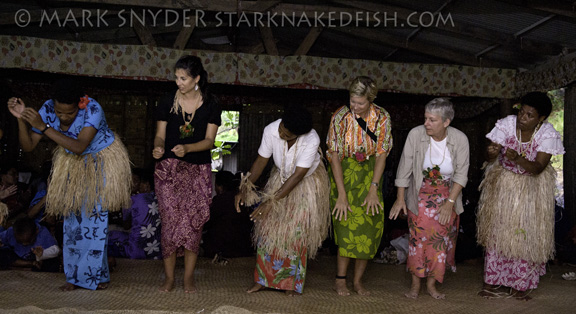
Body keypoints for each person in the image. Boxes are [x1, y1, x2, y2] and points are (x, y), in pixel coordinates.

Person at [7, 79, 132, 290]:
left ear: (79, 104)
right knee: (72, 223)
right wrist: (21, 119)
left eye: (70, 113)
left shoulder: (93, 108)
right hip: (72, 165)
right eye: (59, 112)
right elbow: (28, 146)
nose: (63, 117)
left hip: (99, 161)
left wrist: (44, 127)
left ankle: (90, 277)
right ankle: (80, 277)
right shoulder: (47, 109)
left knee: (94, 222)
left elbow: (80, 147)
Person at [476, 92, 565, 301]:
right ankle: (492, 281)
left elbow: (538, 167)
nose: (522, 118)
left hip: (529, 191)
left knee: (523, 235)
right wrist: (491, 152)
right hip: (504, 187)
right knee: (497, 233)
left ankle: (520, 284)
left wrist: (518, 159)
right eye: (522, 112)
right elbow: (489, 156)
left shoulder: (547, 134)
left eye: (530, 115)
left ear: (540, 118)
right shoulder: (507, 125)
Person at [235, 105, 330, 296]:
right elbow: (261, 161)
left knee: (295, 234)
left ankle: (290, 283)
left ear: (299, 135)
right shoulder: (271, 130)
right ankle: (262, 279)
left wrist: (270, 201)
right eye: (282, 128)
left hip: (304, 183)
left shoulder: (311, 139)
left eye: (286, 134)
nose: (281, 133)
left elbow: (297, 176)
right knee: (268, 230)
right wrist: (244, 188)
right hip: (281, 177)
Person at [152, 55, 221, 293]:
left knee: (194, 224)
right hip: (168, 170)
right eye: (176, 77)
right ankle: (170, 278)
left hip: (197, 171)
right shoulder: (166, 101)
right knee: (170, 223)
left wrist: (189, 148)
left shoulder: (211, 104)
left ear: (197, 79)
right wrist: (159, 146)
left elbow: (210, 141)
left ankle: (188, 278)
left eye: (183, 78)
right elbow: (160, 133)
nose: (178, 82)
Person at [389, 98, 469, 299]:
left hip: (448, 197)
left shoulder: (460, 139)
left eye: (432, 120)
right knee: (417, 241)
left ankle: (432, 285)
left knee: (440, 242)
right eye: (425, 118)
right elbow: (404, 169)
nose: (426, 124)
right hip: (420, 196)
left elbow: (461, 175)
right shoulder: (416, 135)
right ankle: (415, 284)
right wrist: (400, 200)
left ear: (446, 122)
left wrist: (449, 204)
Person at [326, 76, 393, 296]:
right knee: (345, 227)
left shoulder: (382, 117)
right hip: (343, 174)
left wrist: (374, 188)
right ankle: (340, 279)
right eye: (352, 101)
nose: (354, 106)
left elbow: (382, 154)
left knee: (368, 228)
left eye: (360, 103)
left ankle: (357, 281)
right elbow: (334, 156)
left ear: (371, 99)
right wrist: (341, 195)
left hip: (370, 175)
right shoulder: (340, 117)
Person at [108, 168, 162, 260]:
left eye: (136, 181)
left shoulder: (131, 200)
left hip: (136, 251)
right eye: (130, 181)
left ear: (146, 184)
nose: (133, 184)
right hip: (156, 250)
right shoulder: (159, 197)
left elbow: (126, 226)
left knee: (109, 235)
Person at [203, 171, 253, 259]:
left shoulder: (219, 200)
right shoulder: (245, 199)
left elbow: (207, 222)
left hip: (223, 249)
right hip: (245, 248)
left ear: (219, 186)